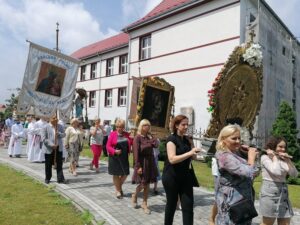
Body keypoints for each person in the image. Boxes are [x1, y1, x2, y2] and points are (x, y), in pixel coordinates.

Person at [215, 124, 258, 225]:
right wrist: (251, 158)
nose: (238, 141)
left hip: (243, 201)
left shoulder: (235, 154)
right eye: (234, 138)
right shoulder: (224, 157)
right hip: (232, 204)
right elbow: (248, 172)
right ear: (223, 139)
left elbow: (256, 171)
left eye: (239, 138)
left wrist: (245, 153)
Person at [162, 114, 201, 225]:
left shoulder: (186, 140)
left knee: (188, 206)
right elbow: (172, 159)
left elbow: (194, 157)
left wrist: (192, 144)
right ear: (176, 125)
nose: (186, 127)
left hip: (186, 177)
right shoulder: (171, 139)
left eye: (187, 124)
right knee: (172, 204)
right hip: (171, 177)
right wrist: (189, 152)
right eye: (183, 124)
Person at [259, 136, 299, 225]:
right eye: (280, 147)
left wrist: (288, 161)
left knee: (285, 222)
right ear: (273, 146)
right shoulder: (265, 158)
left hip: (283, 193)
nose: (283, 149)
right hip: (269, 193)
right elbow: (276, 171)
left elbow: (294, 174)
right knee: (267, 223)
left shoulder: (283, 160)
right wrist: (274, 157)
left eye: (284, 147)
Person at [131, 119, 159, 214]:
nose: (147, 127)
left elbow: (155, 145)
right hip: (142, 162)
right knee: (143, 183)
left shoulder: (148, 137)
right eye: (145, 125)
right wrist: (138, 166)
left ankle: (144, 203)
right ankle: (135, 195)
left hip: (150, 162)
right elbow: (136, 153)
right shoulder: (137, 138)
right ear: (141, 126)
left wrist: (153, 137)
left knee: (147, 183)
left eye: (148, 125)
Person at [106, 119, 133, 199]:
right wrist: (114, 151)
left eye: (121, 127)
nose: (119, 128)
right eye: (117, 127)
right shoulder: (112, 134)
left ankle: (118, 187)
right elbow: (108, 146)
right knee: (116, 174)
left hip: (124, 157)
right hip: (114, 157)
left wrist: (132, 138)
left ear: (123, 127)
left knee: (125, 173)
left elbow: (131, 143)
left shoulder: (127, 134)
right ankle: (118, 190)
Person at [41, 116, 66, 184]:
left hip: (58, 147)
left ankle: (60, 178)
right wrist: (52, 145)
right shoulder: (45, 127)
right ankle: (48, 178)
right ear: (50, 119)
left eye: (56, 118)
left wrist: (59, 134)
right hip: (49, 148)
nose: (55, 119)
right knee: (48, 164)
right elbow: (44, 139)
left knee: (59, 164)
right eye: (53, 118)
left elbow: (64, 134)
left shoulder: (60, 126)